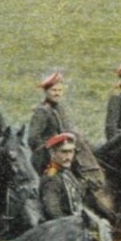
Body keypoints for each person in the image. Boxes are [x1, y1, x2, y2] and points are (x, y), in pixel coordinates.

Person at [27, 70, 111, 210]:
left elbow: (68, 129)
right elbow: (33, 139)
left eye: (59, 90)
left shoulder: (60, 108)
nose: (57, 93)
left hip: (65, 150)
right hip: (49, 156)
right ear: (46, 92)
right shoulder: (42, 112)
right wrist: (53, 145)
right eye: (54, 90)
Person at [38, 133, 85, 222]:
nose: (68, 157)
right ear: (53, 153)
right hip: (59, 228)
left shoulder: (68, 173)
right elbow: (53, 211)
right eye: (64, 152)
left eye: (71, 151)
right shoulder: (51, 177)